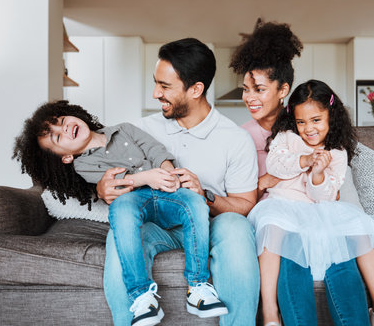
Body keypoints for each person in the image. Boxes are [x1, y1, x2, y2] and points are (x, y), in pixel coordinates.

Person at [230, 21, 374, 326]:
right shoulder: (260, 136)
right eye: (245, 89)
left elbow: (327, 191)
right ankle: (270, 314)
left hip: (321, 210)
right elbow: (267, 173)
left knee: (351, 242)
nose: (250, 97)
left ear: (282, 92)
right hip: (280, 210)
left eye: (259, 89)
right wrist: (296, 166)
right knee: (280, 237)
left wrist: (317, 173)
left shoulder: (315, 137)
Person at [12, 100, 229, 326]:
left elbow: (155, 150)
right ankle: (141, 295)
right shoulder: (82, 165)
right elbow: (116, 186)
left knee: (195, 201)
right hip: (136, 199)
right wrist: (146, 178)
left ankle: (197, 287)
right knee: (121, 208)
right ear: (65, 157)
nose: (64, 129)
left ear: (72, 115)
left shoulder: (124, 129)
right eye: (57, 137)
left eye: (62, 121)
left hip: (167, 192)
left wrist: (167, 172)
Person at [97, 38, 260, 326]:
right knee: (118, 234)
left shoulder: (235, 139)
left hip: (210, 225)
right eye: (155, 83)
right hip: (159, 226)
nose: (155, 93)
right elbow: (104, 168)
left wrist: (205, 195)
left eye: (165, 86)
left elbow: (245, 205)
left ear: (196, 89)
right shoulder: (140, 130)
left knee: (237, 226)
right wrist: (102, 187)